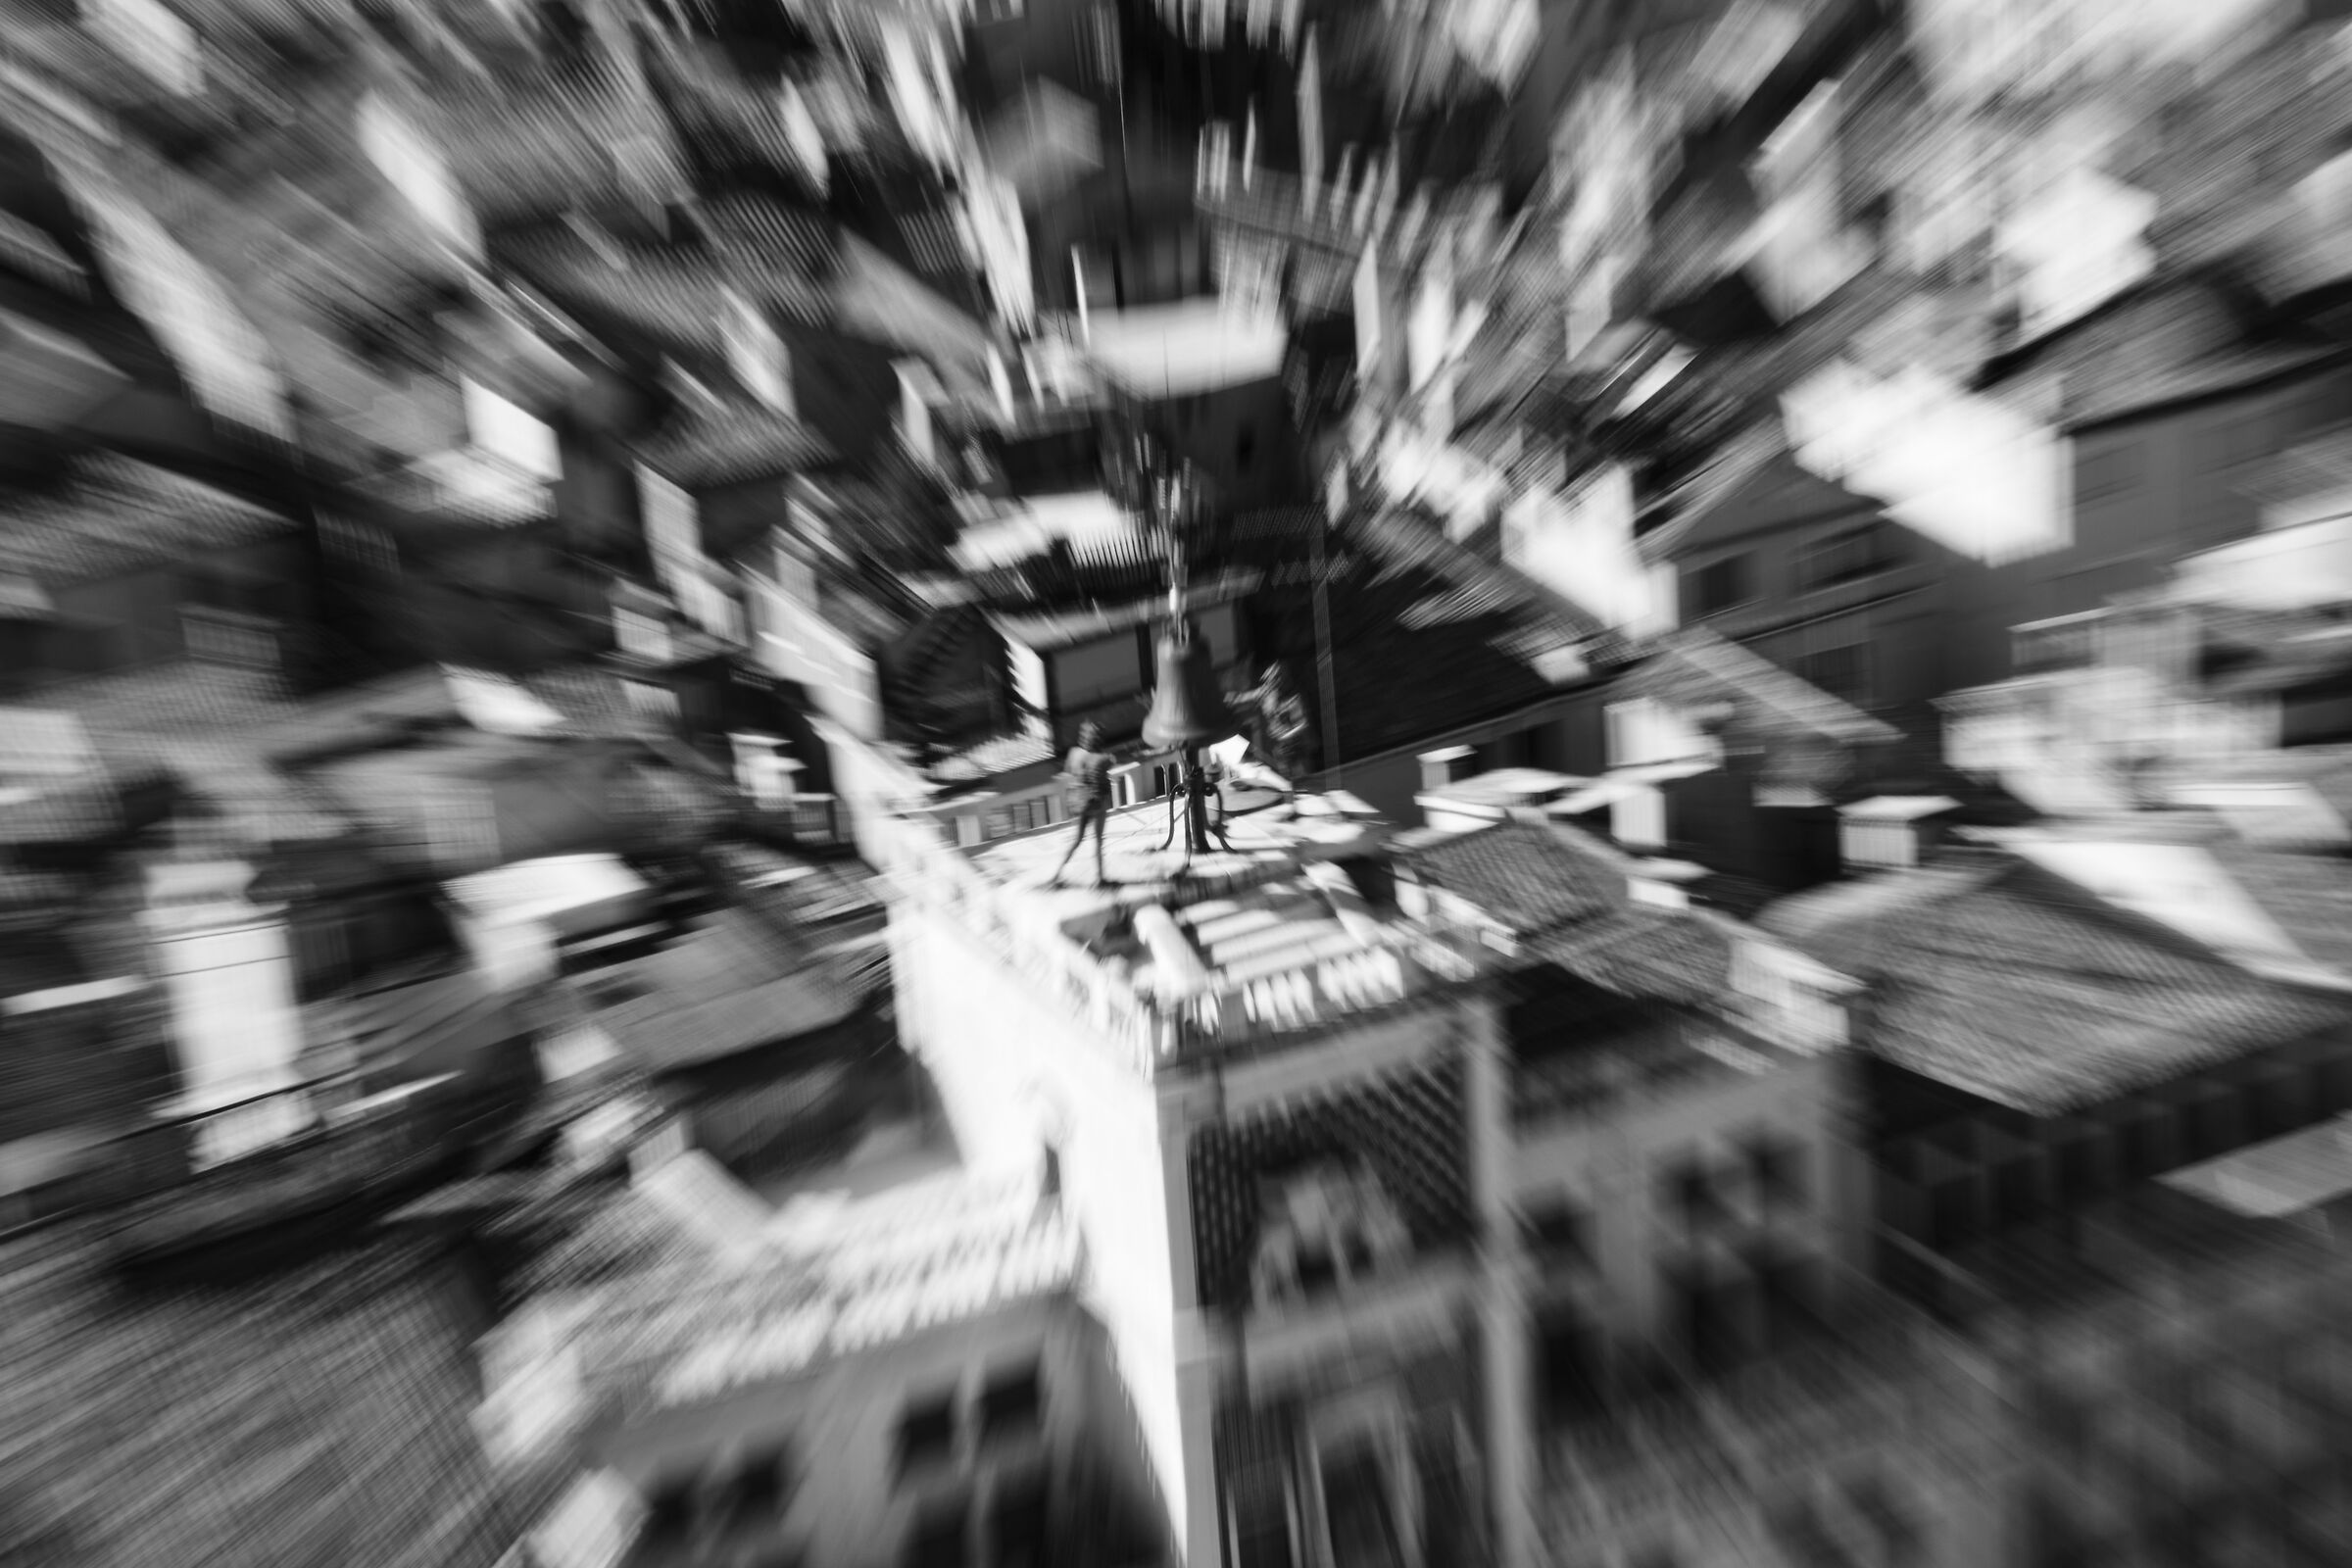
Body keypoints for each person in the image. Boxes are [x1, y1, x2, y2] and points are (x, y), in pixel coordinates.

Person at [1050, 720, 1114, 885]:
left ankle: (1057, 875)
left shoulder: (1074, 753)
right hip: (1098, 802)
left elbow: (1070, 774)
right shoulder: (1103, 758)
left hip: (1080, 802)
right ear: (1098, 739)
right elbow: (1105, 772)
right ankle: (1100, 878)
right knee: (1098, 840)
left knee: (1077, 840)